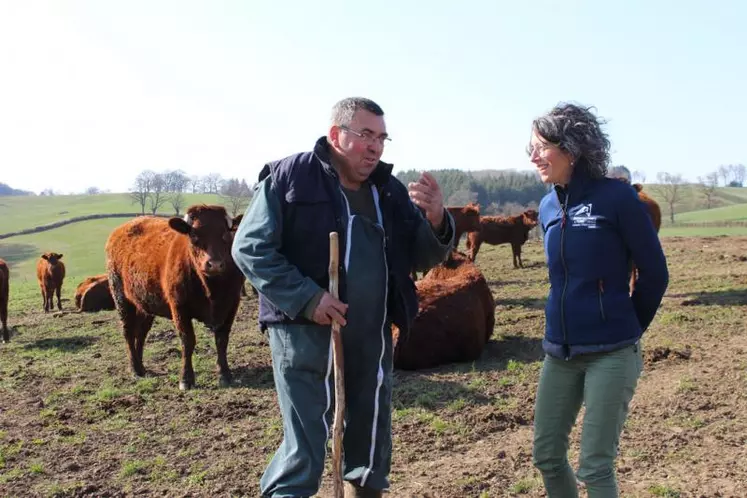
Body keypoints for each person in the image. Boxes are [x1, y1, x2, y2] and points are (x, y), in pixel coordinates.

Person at [231, 97, 455, 498]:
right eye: (365, 135)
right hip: (305, 335)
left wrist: (437, 221)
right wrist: (307, 298)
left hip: (371, 335)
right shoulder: (290, 177)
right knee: (306, 442)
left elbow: (421, 254)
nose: (376, 147)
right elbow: (250, 248)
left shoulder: (388, 190)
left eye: (382, 138)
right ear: (336, 135)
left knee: (369, 439)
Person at [528, 102, 669, 497]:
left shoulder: (617, 199)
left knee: (594, 465)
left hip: (612, 352)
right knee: (547, 456)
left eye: (542, 146)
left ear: (570, 149)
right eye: (531, 148)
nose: (534, 155)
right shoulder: (547, 206)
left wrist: (625, 326)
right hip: (560, 352)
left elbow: (655, 273)